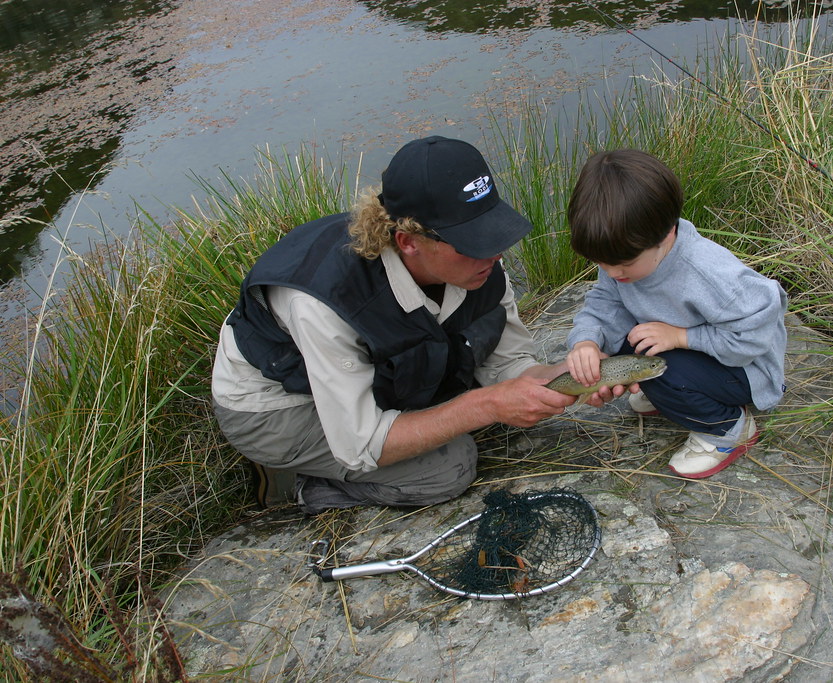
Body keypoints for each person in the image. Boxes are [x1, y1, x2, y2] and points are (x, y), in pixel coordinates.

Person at [211, 135, 627, 513]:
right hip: (280, 407)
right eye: (473, 242)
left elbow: (507, 365)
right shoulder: (323, 303)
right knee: (450, 466)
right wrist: (486, 405)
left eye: (493, 233)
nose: (495, 255)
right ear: (408, 241)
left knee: (458, 416)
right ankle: (301, 485)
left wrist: (562, 378)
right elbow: (362, 444)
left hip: (360, 379)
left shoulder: (479, 266)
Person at [564, 149, 788, 479]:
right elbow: (605, 304)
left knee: (661, 371)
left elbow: (755, 336)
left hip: (746, 369)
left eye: (624, 265)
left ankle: (728, 429)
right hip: (693, 353)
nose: (611, 273)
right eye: (601, 263)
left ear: (667, 233)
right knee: (625, 348)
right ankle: (670, 395)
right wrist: (586, 342)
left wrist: (682, 337)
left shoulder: (707, 273)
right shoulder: (623, 252)